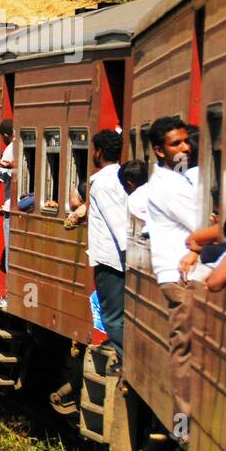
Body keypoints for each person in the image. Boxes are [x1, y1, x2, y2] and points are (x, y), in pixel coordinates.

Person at [146, 116, 200, 442]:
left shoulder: (178, 181)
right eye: (175, 144)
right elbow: (203, 223)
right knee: (183, 350)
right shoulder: (167, 186)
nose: (184, 147)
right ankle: (183, 427)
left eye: (185, 141)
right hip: (179, 278)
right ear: (158, 150)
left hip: (182, 274)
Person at [82, 130, 128, 363]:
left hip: (111, 260)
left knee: (112, 318)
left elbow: (118, 224)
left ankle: (126, 362)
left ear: (98, 152)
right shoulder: (118, 177)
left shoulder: (102, 184)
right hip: (116, 259)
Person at [0, 118, 16, 309]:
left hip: (9, 209)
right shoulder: (23, 144)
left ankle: (9, 295)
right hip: (19, 208)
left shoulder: (9, 150)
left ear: (6, 135)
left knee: (9, 253)